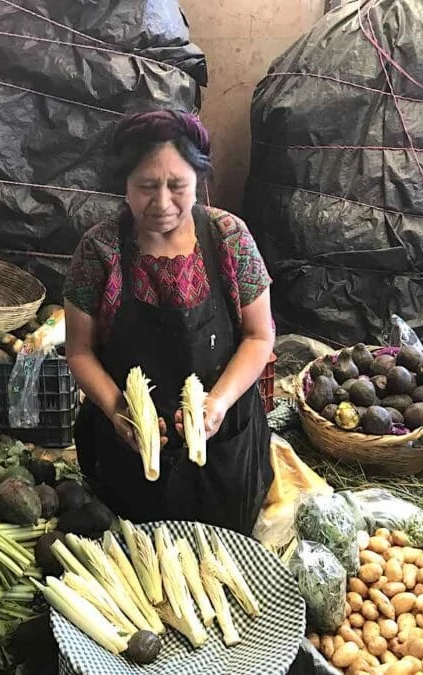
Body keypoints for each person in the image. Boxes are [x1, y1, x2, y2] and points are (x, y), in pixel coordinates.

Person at [63, 110, 274, 535]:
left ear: (199, 180)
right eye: (146, 186)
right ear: (124, 184)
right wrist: (118, 410)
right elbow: (80, 351)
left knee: (226, 539)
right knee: (133, 545)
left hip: (223, 442)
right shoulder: (98, 250)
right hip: (129, 449)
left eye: (177, 186)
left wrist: (217, 403)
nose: (161, 203)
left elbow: (259, 335)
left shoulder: (230, 238)